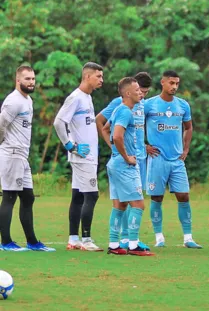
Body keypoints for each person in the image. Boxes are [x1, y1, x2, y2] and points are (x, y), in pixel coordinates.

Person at [144, 70, 202, 249]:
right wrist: (144, 146)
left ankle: (188, 238)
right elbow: (136, 126)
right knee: (156, 198)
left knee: (183, 196)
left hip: (177, 160)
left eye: (177, 83)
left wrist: (186, 148)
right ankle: (159, 237)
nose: (174, 87)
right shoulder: (149, 104)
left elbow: (189, 127)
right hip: (157, 158)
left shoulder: (183, 106)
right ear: (162, 82)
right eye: (171, 83)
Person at [95, 71, 152, 250]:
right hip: (124, 163)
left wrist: (116, 152)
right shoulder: (125, 112)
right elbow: (117, 136)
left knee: (119, 205)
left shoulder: (120, 110)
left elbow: (106, 129)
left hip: (116, 162)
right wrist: (126, 155)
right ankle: (133, 245)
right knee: (139, 204)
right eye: (137, 90)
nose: (141, 93)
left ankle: (114, 244)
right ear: (128, 93)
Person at [0, 66, 52, 252]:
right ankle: (6, 242)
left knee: (28, 197)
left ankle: (32, 242)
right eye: (27, 79)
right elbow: (1, 125)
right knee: (9, 196)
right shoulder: (13, 101)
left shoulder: (28, 100)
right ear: (18, 80)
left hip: (22, 155)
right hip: (11, 153)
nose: (31, 82)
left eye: (33, 79)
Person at [54, 62, 103, 252]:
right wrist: (70, 145)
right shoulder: (75, 97)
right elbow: (59, 122)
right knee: (92, 195)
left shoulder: (87, 98)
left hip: (86, 156)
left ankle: (73, 239)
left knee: (78, 196)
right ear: (86, 77)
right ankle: (87, 240)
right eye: (98, 76)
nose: (101, 80)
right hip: (83, 156)